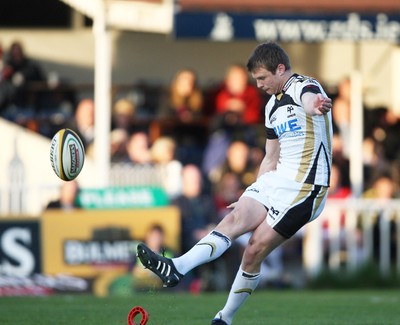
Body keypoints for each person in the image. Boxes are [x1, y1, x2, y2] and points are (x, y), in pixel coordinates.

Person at [136, 41, 333, 325]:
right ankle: (176, 268)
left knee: (253, 249)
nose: (260, 85)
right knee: (236, 217)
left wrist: (315, 106)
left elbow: (309, 99)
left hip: (307, 187)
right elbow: (270, 157)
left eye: (263, 78)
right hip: (278, 180)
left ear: (280, 69)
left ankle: (224, 318)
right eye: (256, 80)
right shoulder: (270, 108)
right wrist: (256, 191)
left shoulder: (304, 87)